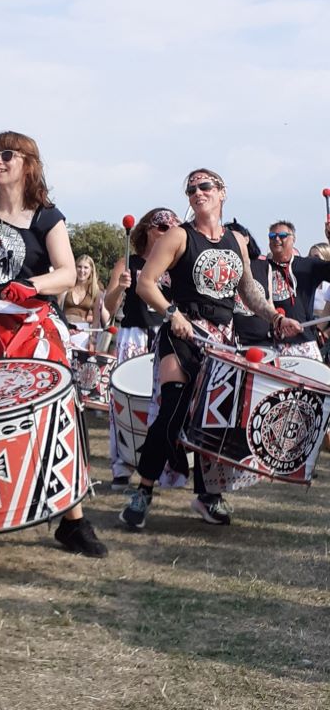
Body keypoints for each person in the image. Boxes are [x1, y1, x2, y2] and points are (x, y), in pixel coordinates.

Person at [0, 130, 107, 557]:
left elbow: (65, 272)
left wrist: (30, 285)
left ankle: (72, 521)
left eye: (7, 154)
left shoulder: (47, 216)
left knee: (56, 418)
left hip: (34, 328)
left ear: (28, 163)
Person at [119, 169, 301, 530]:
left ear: (222, 192)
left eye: (205, 186)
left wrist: (275, 318)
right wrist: (172, 314)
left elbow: (248, 290)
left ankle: (208, 496)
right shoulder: (178, 236)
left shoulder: (236, 240)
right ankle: (143, 491)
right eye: (191, 188)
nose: (197, 192)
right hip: (183, 334)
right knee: (172, 412)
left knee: (218, 421)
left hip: (223, 339)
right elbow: (145, 284)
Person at [102, 208, 180, 490]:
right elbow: (106, 312)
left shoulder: (173, 267)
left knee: (164, 404)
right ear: (148, 229)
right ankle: (121, 466)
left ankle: (162, 466)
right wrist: (119, 289)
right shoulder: (128, 262)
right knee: (124, 402)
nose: (167, 233)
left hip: (164, 335)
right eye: (162, 227)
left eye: (171, 229)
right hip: (134, 334)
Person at [267, 220, 330, 360]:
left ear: (293, 239)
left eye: (282, 235)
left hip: (305, 342)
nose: (276, 239)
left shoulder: (308, 265)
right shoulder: (263, 267)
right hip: (272, 345)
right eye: (272, 236)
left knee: (316, 381)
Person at [225, 220, 272, 348]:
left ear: (246, 239)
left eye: (234, 237)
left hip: (263, 339)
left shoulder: (264, 266)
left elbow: (269, 301)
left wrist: (276, 322)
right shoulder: (222, 266)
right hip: (234, 340)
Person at [60, 255, 109, 349]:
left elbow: (96, 319)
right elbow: (57, 308)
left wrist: (92, 338)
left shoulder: (95, 291)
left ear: (91, 270)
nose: (82, 270)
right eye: (79, 267)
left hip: (82, 332)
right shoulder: (66, 287)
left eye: (86, 267)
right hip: (64, 327)